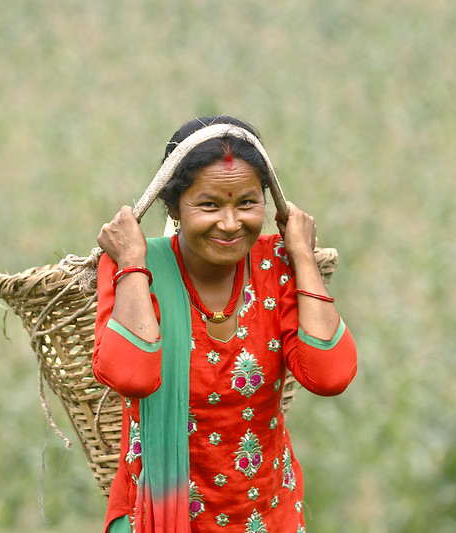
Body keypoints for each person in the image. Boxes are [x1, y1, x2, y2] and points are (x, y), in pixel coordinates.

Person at [93, 115, 357, 532]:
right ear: (173, 206)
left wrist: (303, 256)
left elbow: (330, 375)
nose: (231, 224)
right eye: (210, 205)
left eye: (247, 203)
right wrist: (130, 263)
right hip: (156, 517)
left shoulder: (277, 266)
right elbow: (133, 376)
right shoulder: (135, 268)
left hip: (267, 516)